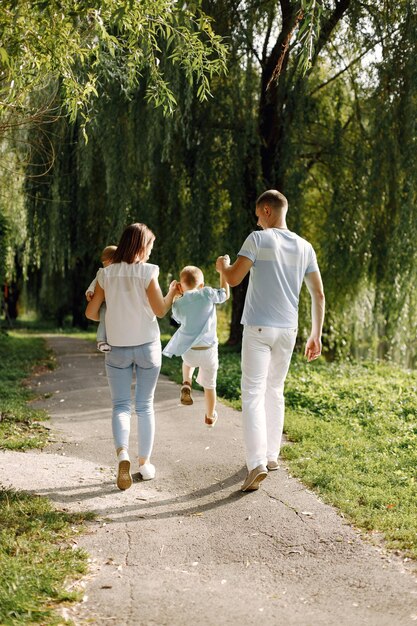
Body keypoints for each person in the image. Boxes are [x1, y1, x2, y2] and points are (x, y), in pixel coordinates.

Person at [216, 190, 325, 492]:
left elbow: (235, 278)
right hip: (288, 331)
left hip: (259, 328)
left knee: (251, 393)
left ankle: (256, 464)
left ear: (266, 210)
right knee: (274, 390)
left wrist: (222, 267)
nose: (256, 220)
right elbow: (318, 294)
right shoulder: (305, 247)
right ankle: (272, 456)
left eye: (257, 214)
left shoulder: (258, 239)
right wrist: (315, 334)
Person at [85, 223, 178, 491]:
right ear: (140, 246)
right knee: (145, 405)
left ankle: (122, 454)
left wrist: (103, 303)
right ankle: (144, 464)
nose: (150, 252)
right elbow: (160, 310)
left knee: (121, 406)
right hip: (147, 346)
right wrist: (172, 291)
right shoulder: (148, 271)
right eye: (149, 246)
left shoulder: (106, 274)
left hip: (116, 348)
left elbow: (91, 314)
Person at [162, 264, 230, 427]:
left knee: (187, 363)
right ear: (201, 285)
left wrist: (178, 296)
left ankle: (186, 382)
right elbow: (225, 294)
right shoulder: (206, 293)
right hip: (209, 351)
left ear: (180, 286)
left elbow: (177, 319)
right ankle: (210, 416)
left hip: (190, 351)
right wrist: (223, 272)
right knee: (210, 386)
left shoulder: (178, 304)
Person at [86, 245, 117, 352]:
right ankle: (101, 341)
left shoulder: (118, 271)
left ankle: (112, 338)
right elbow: (94, 282)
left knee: (113, 321)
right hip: (104, 303)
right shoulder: (102, 272)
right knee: (104, 320)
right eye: (103, 263)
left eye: (106, 263)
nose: (104, 266)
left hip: (114, 302)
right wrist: (90, 291)